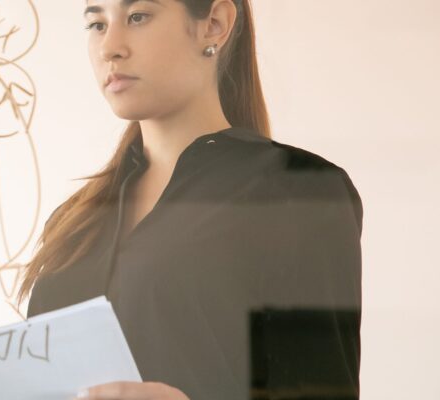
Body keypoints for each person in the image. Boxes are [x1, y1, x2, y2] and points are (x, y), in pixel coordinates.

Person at [20, 1, 363, 399]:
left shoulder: (298, 191)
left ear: (214, 24)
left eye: (137, 17)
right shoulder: (73, 220)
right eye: (97, 24)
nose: (109, 47)